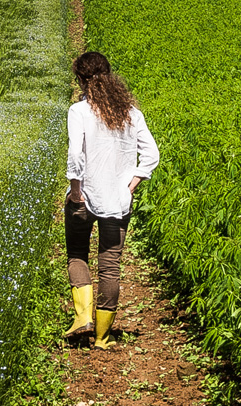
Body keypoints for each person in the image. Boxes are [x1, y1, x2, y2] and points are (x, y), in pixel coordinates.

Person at [62, 52, 159, 349]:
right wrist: (131, 185)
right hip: (118, 202)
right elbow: (152, 155)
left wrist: (76, 190)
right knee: (110, 266)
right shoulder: (131, 113)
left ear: (81, 79)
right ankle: (102, 338)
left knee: (78, 254)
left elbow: (76, 155)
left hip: (85, 196)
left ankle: (83, 319)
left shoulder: (79, 111)